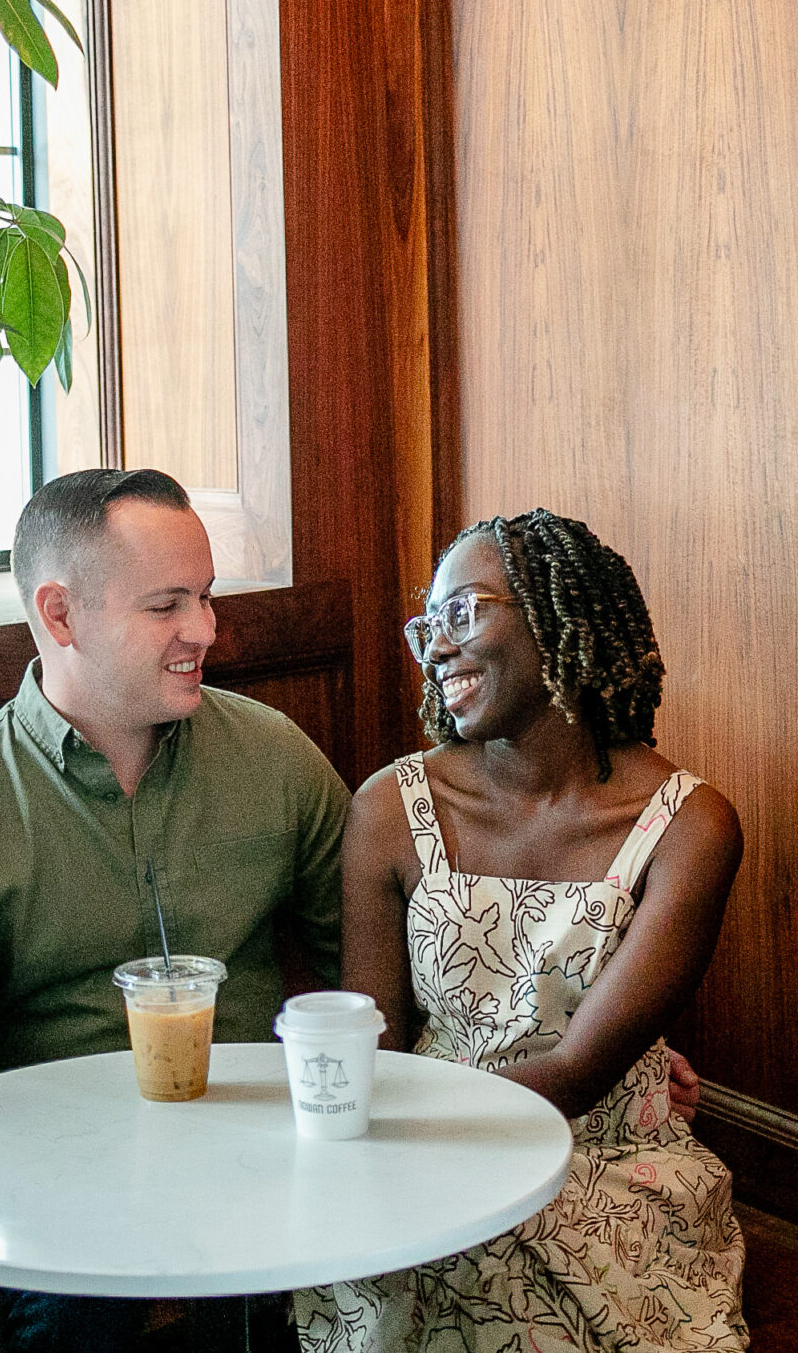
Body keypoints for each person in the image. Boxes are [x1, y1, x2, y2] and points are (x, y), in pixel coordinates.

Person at [0, 467, 352, 1353]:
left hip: (269, 1165)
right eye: (166, 605)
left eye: (206, 598)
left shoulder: (275, 758)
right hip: (66, 1208)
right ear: (60, 616)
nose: (205, 631)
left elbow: (375, 975)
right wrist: (70, 1193)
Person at [297, 509, 748, 1353]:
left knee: (488, 1259)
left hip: (598, 1158)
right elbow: (376, 1035)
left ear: (555, 615)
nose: (436, 649)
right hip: (414, 1143)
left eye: (465, 613)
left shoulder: (691, 827)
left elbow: (579, 1074)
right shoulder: (391, 808)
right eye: (428, 626)